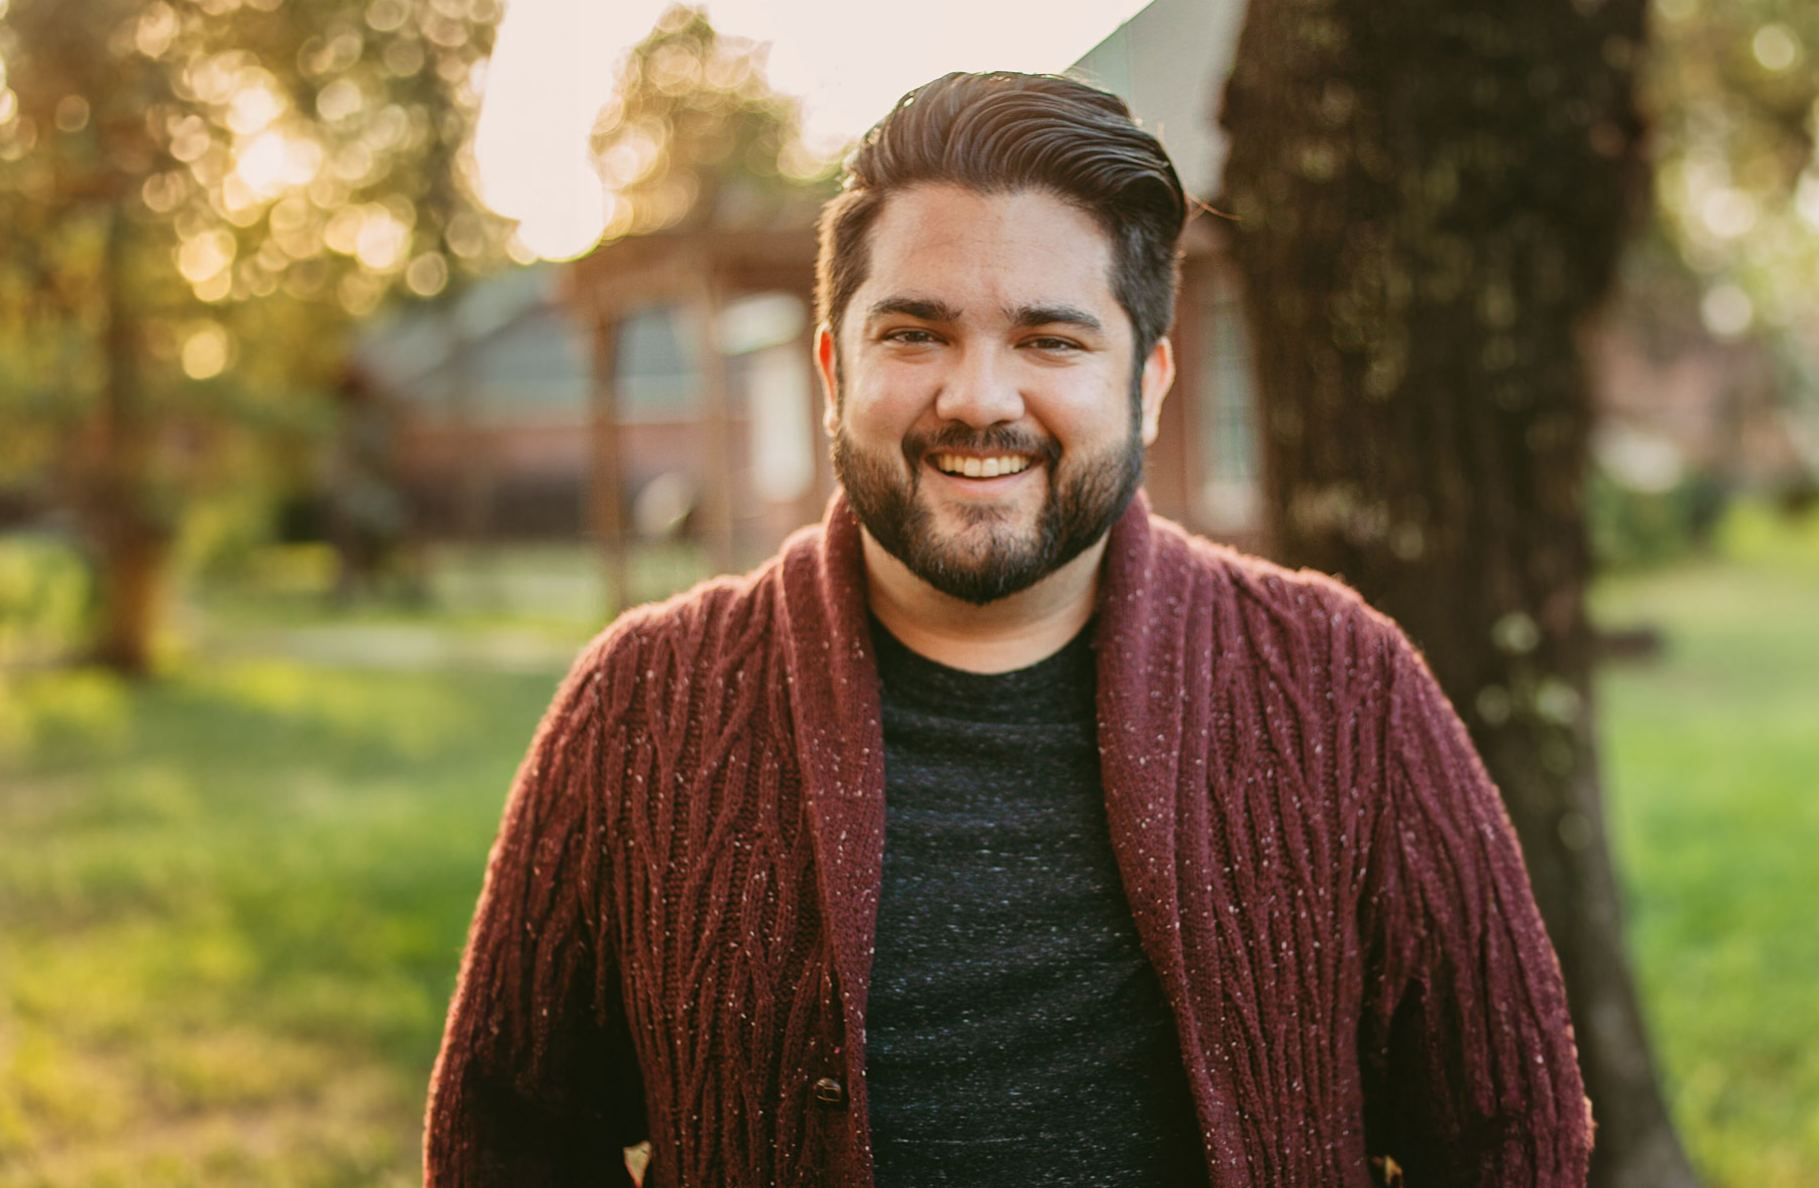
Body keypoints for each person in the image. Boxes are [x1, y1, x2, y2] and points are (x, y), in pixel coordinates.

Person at [424, 71, 1591, 1188]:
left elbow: (1510, 1131)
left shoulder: (1345, 687)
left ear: (1149, 381)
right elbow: (506, 1137)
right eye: (915, 334)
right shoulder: (643, 704)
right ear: (834, 370)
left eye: (1051, 339)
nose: (978, 396)